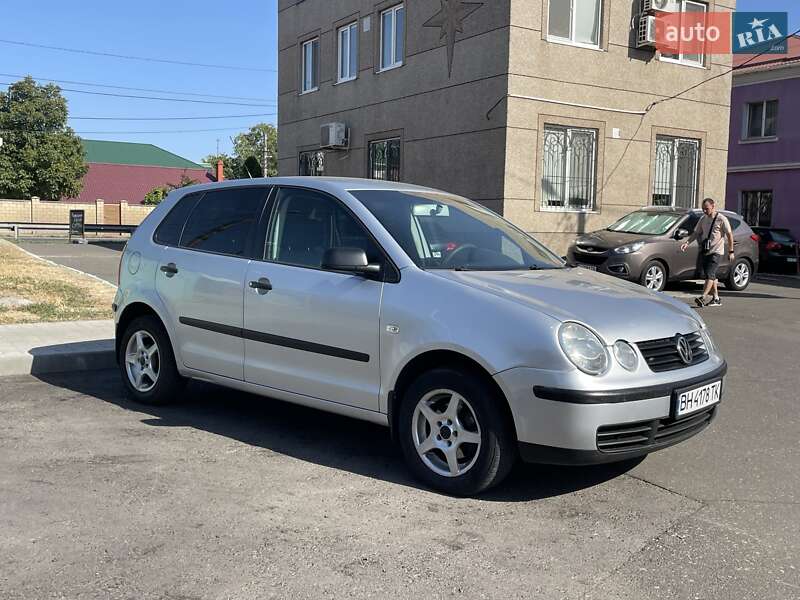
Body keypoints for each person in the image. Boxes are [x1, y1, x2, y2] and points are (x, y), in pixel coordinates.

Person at [681, 198, 734, 307]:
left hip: (717, 252)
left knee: (709, 275)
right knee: (711, 275)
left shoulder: (721, 219)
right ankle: (716, 299)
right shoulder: (703, 219)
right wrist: (687, 243)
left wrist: (731, 251)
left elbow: (729, 235)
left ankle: (703, 297)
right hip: (706, 250)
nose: (705, 211)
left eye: (707, 209)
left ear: (713, 206)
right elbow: (696, 233)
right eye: (703, 209)